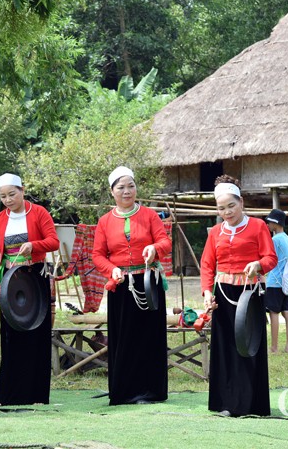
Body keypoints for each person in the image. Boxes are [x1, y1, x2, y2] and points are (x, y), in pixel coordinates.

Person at [92, 166, 172, 405]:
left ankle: (151, 392)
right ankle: (125, 392)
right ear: (112, 192)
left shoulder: (149, 215)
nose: (127, 191)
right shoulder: (105, 221)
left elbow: (165, 241)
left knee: (149, 337)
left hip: (148, 282)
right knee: (124, 338)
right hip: (121, 285)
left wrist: (154, 248)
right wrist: (111, 269)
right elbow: (97, 255)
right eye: (121, 187)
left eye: (131, 186)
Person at [200, 175, 277, 417]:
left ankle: (250, 404)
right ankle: (226, 404)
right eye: (221, 208)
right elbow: (207, 265)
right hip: (223, 296)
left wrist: (258, 265)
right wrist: (206, 293)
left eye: (231, 206)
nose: (227, 212)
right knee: (225, 349)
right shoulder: (214, 232)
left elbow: (271, 259)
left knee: (248, 347)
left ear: (241, 202)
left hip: (250, 294)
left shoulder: (258, 226)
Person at [0, 173, 60, 406]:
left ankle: (36, 395)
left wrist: (34, 245)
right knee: (10, 334)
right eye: (3, 196)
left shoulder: (39, 213)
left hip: (34, 277)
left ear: (22, 190)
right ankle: (8, 394)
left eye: (12, 194)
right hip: (10, 279)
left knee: (36, 333)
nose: (7, 199)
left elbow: (53, 241)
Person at [264, 209, 288, 353]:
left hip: (275, 281)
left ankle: (274, 347)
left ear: (275, 223)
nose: (268, 224)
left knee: (273, 313)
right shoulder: (287, 238)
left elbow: (269, 260)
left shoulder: (275, 240)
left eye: (269, 222)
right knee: (286, 312)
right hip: (287, 282)